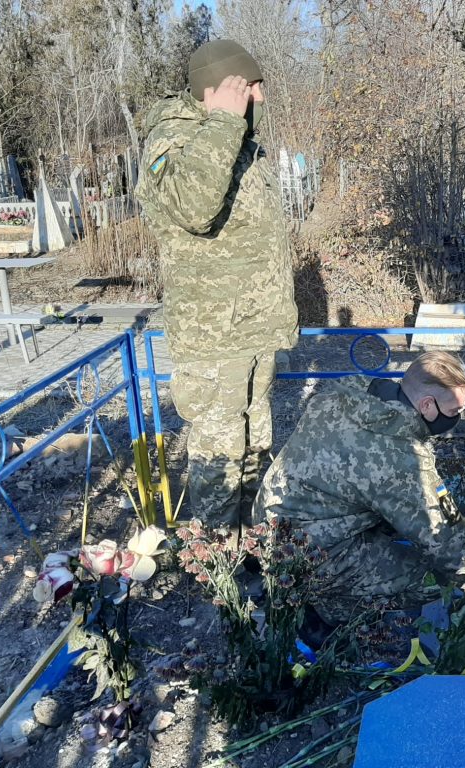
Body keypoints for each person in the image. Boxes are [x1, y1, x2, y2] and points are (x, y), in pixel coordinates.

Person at [136, 40, 296, 528]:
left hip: (251, 328)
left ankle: (250, 547)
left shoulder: (235, 140)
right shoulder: (175, 139)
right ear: (218, 90)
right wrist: (224, 120)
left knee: (254, 446)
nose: (259, 99)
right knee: (218, 458)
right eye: (250, 88)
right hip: (214, 337)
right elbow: (193, 206)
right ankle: (214, 559)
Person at [252, 351, 465, 623]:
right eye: (454, 411)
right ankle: (326, 609)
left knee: (396, 526)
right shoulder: (399, 457)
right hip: (303, 553)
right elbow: (445, 542)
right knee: (430, 578)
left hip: (270, 520)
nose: (456, 418)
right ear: (427, 405)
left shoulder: (354, 390)